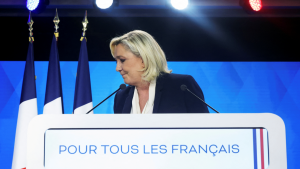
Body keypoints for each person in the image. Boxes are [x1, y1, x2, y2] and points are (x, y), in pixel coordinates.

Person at [110, 30, 209, 114]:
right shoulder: (121, 96)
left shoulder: (182, 86)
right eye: (116, 61)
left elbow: (206, 128)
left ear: (144, 60)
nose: (117, 68)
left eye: (122, 60)